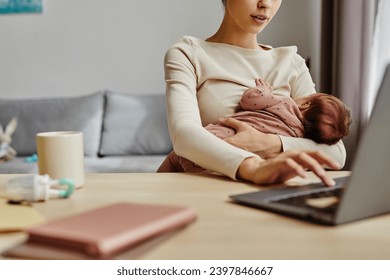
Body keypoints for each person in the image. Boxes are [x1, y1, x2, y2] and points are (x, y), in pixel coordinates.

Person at [159, 0, 345, 186]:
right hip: (205, 187)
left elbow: (336, 153)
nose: (265, 4)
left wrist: (272, 144)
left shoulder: (291, 62)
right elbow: (184, 136)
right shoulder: (189, 53)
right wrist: (252, 167)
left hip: (268, 190)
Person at [158, 78, 352, 173]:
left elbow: (249, 101)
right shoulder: (298, 139)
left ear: (307, 103)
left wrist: (264, 90)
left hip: (210, 142)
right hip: (228, 165)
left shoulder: (285, 102)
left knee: (175, 159)